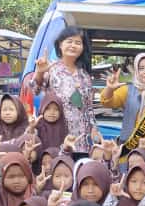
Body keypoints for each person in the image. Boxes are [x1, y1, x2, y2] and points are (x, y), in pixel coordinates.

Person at [27, 27, 96, 155]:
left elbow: (88, 107)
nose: (73, 45)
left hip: (81, 138)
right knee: (59, 169)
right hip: (57, 134)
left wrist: (94, 129)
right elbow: (34, 89)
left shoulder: (84, 75)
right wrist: (40, 72)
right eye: (69, 41)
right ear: (60, 44)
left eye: (78, 42)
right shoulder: (52, 68)